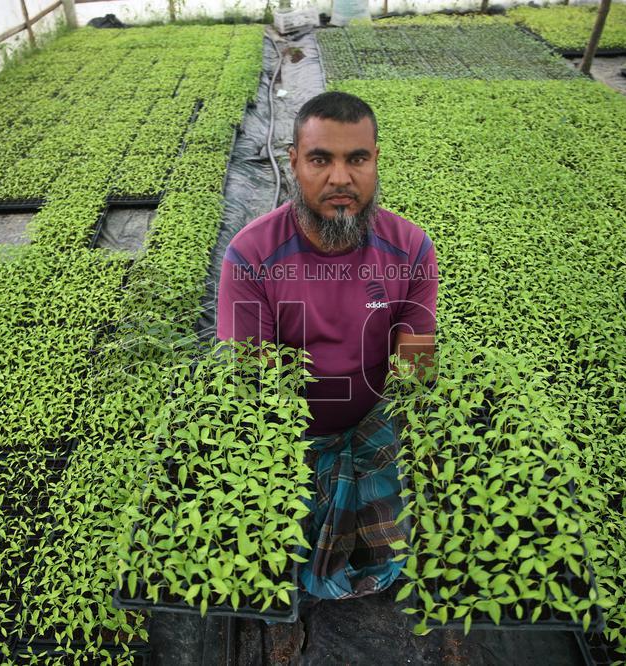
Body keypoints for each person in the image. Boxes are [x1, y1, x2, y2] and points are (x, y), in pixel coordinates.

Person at [215, 91, 438, 658]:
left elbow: (414, 369)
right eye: (321, 160)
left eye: (357, 159)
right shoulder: (251, 255)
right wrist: (300, 450)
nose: (341, 177)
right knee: (277, 544)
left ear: (376, 160)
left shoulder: (409, 249)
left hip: (372, 421)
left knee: (394, 540)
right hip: (290, 435)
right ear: (293, 161)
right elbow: (253, 381)